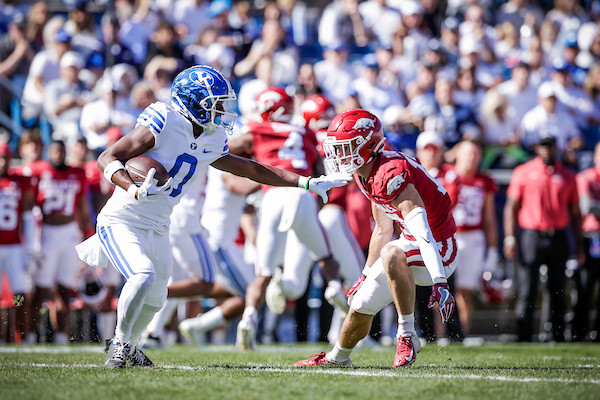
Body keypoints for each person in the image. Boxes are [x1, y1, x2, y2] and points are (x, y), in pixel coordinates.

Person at [75, 65, 347, 368]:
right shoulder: (165, 119)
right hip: (123, 216)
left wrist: (306, 182)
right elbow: (107, 157)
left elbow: (253, 169)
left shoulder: (211, 137)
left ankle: (133, 345)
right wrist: (133, 187)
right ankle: (120, 345)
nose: (221, 111)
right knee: (142, 275)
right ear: (192, 102)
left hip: (160, 223)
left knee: (156, 296)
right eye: (214, 105)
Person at [295, 109, 458, 368]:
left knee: (392, 253)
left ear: (367, 145)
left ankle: (407, 334)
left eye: (345, 148)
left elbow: (423, 230)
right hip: (409, 243)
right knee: (360, 303)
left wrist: (440, 281)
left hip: (439, 248)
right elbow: (383, 229)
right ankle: (338, 357)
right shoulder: (366, 172)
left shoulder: (391, 172)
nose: (338, 155)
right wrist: (365, 274)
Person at [229, 87, 349, 350]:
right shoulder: (303, 131)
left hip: (272, 197)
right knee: (326, 258)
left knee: (263, 274)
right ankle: (335, 288)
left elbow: (223, 153)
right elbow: (318, 170)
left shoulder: (257, 129)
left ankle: (248, 318)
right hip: (302, 193)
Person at [504, 133, 584, 342]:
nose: (547, 150)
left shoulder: (567, 176)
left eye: (550, 146)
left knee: (558, 288)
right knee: (528, 288)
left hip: (558, 235)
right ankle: (524, 335)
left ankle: (557, 335)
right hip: (531, 235)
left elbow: (576, 214)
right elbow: (511, 207)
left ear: (556, 148)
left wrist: (579, 245)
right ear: (537, 148)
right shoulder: (524, 172)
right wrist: (510, 237)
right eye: (543, 146)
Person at [25, 140, 92, 344]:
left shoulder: (77, 173)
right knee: (41, 289)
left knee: (65, 289)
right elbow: (30, 205)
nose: (58, 155)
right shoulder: (39, 171)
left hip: (70, 232)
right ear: (48, 152)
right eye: (54, 151)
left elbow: (82, 207)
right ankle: (29, 335)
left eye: (61, 151)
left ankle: (62, 336)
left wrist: (87, 234)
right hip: (46, 233)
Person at [442, 140, 498, 337]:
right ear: (457, 154)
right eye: (467, 154)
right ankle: (439, 334)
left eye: (475, 154)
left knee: (465, 290)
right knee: (443, 289)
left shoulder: (484, 180)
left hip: (474, 237)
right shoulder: (446, 176)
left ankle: (461, 334)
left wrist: (492, 250)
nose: (471, 158)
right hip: (450, 235)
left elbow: (489, 218)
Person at [0, 142, 36, 343]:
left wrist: (30, 248)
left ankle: (23, 336)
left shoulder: (20, 182)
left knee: (20, 293)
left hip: (14, 246)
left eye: (5, 157)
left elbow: (28, 216)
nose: (3, 162)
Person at [572, 141, 600, 341]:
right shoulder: (585, 177)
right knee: (584, 288)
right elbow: (586, 206)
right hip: (590, 238)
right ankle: (577, 333)